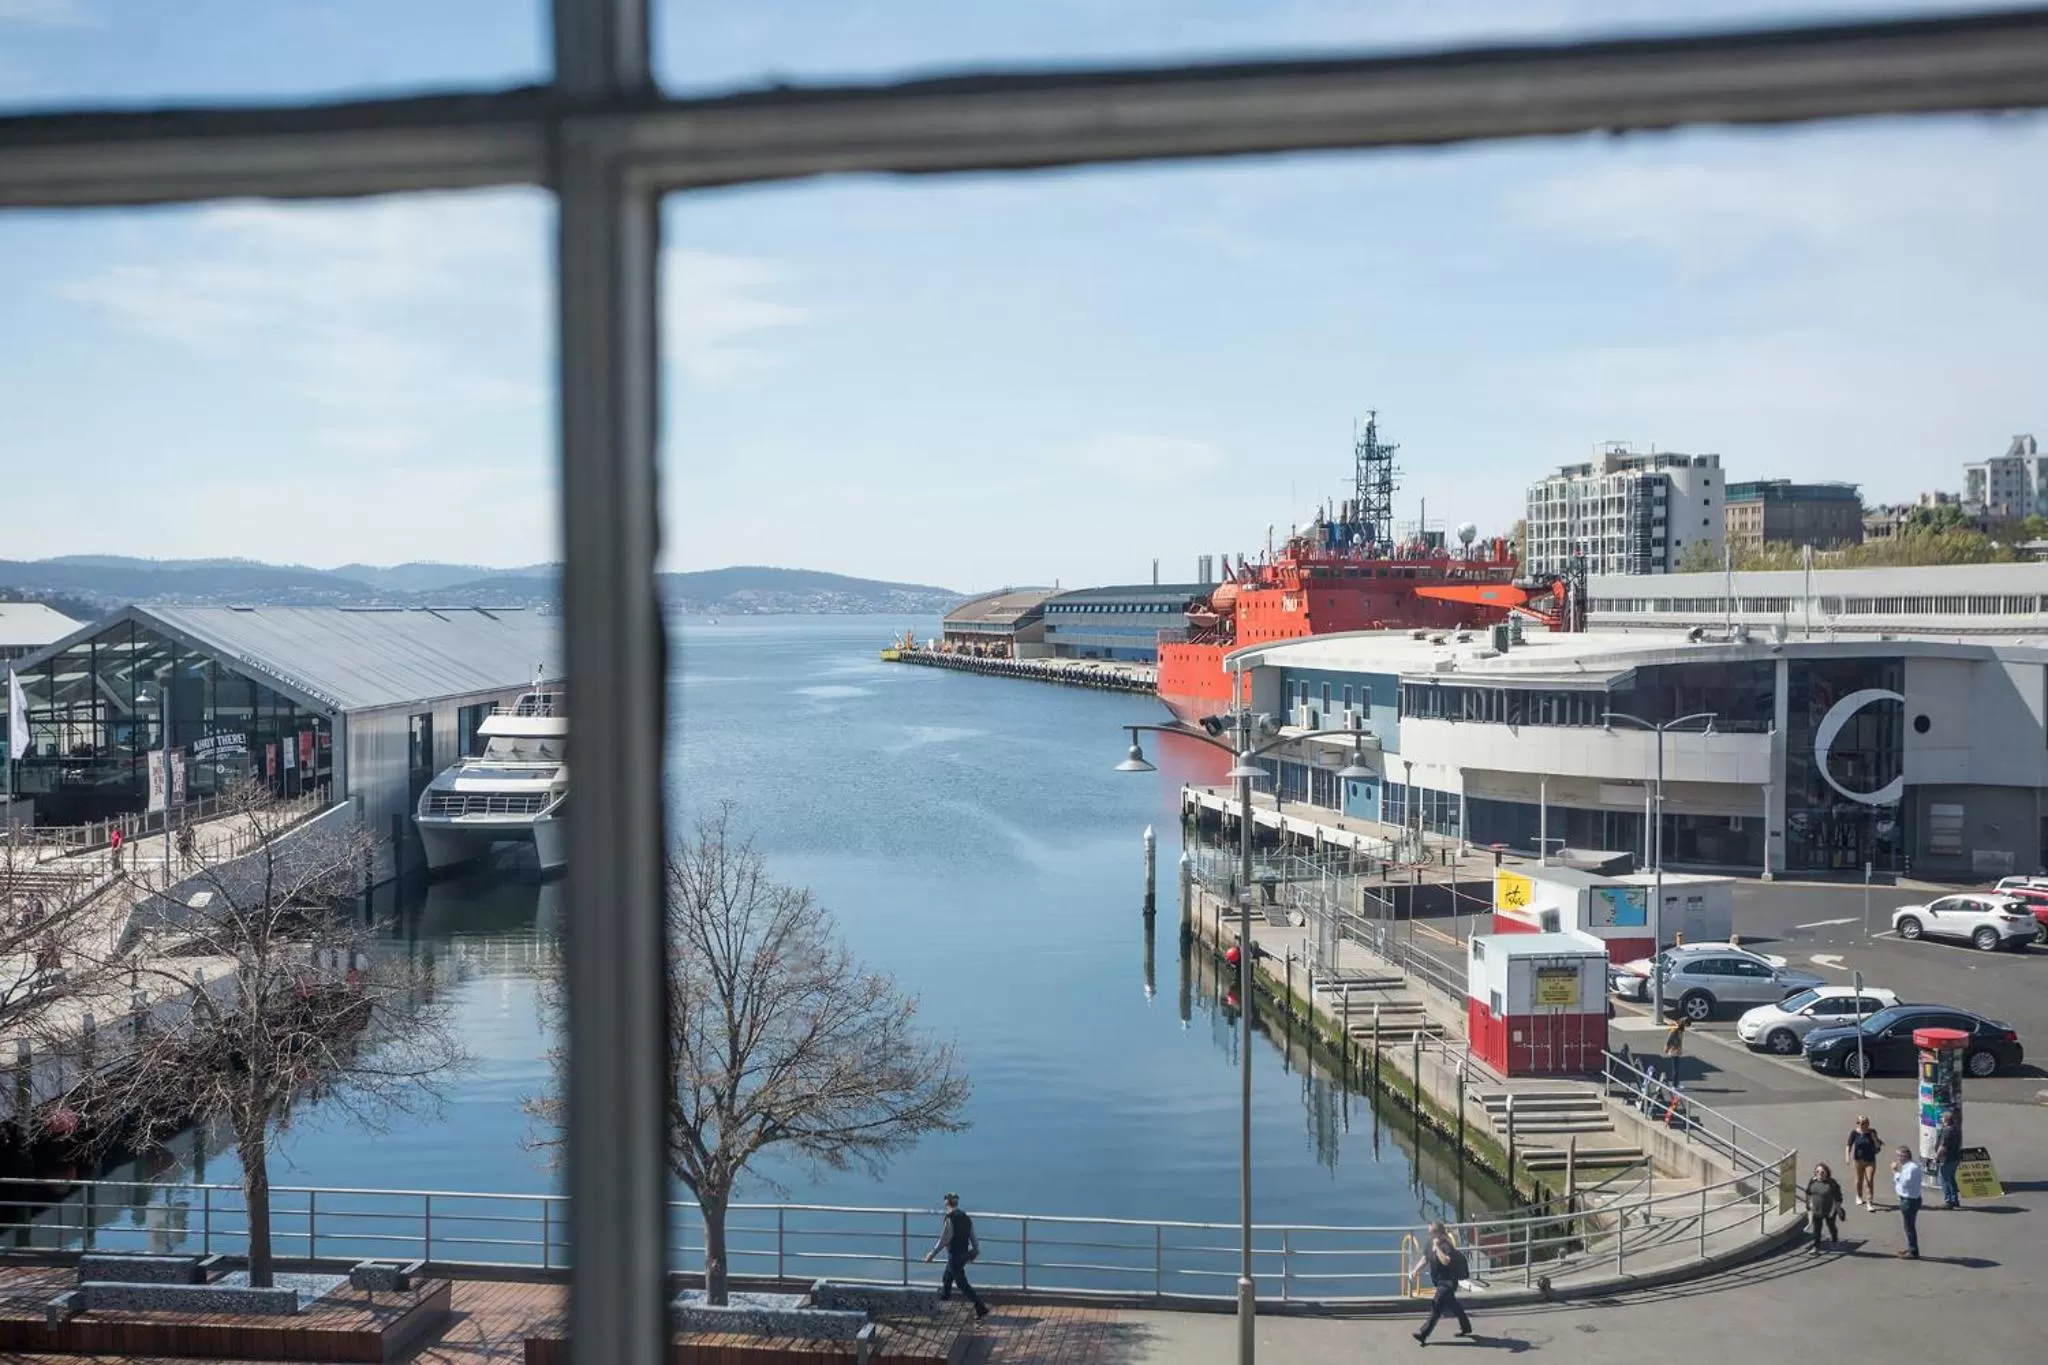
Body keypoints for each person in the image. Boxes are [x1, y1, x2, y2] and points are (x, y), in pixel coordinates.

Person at [923, 1192, 988, 1319]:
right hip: (964, 1254)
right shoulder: (965, 1217)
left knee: (962, 1284)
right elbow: (973, 1235)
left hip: (955, 1256)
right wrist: (975, 1248)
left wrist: (932, 1254)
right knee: (947, 1276)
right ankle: (945, 1298)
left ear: (946, 1203)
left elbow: (944, 1240)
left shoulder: (950, 1219)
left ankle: (981, 1308)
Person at [1411, 1220, 1473, 1346]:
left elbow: (1446, 1261)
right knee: (1453, 1305)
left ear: (1438, 1233)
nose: (1429, 1236)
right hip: (1439, 1281)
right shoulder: (1429, 1243)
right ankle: (1466, 1327)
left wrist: (1437, 1248)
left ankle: (1423, 1334)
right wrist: (1415, 1270)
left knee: (1436, 1304)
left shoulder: (1446, 1245)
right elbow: (1425, 1258)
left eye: (1431, 1233)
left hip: (1449, 1282)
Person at [1804, 1163, 1846, 1252]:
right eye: (1817, 1171)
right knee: (1817, 1229)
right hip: (1817, 1209)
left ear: (1827, 1173)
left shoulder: (1832, 1183)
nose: (1820, 1174)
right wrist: (1808, 1204)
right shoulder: (1813, 1181)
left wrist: (1838, 1210)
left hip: (1830, 1210)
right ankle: (1816, 1246)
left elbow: (1838, 1198)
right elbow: (1808, 1193)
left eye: (1822, 1172)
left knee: (1831, 1226)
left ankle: (1834, 1240)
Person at [1891, 1145, 1923, 1259]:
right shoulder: (1912, 1166)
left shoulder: (1910, 1168)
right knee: (1908, 1226)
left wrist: (1895, 1172)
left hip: (1909, 1201)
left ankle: (1913, 1251)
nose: (1898, 1159)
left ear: (1904, 1156)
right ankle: (1911, 1248)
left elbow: (1904, 1183)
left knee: (1909, 1227)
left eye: (1899, 1156)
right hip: (1913, 1198)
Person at [1845, 1116, 1882, 1210]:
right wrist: (1847, 1157)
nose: (1861, 1125)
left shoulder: (1872, 1132)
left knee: (1869, 1181)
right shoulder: (1854, 1133)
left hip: (1870, 1160)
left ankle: (1869, 1202)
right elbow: (1848, 1145)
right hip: (1858, 1160)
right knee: (1858, 1180)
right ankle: (1859, 1195)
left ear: (1868, 1124)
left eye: (1863, 1123)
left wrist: (1873, 1138)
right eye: (1859, 1122)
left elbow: (1878, 1146)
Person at [1934, 1109, 1963, 1210]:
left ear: (1946, 1119)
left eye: (1942, 1117)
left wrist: (1936, 1158)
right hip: (1955, 1157)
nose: (1941, 1119)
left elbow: (1943, 1147)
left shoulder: (1946, 1131)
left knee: (1944, 1179)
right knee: (1951, 1179)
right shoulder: (1956, 1129)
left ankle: (1948, 1201)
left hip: (1946, 1159)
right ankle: (1955, 1200)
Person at [1662, 1018, 1690, 1088]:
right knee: (1676, 1069)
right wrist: (1667, 1047)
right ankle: (1674, 1085)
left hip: (1677, 1050)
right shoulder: (1676, 1029)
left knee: (1677, 1069)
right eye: (1686, 1025)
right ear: (1683, 1023)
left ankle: (1676, 1084)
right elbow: (1670, 1038)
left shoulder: (1680, 1029)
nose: (1686, 1027)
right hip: (1674, 1050)